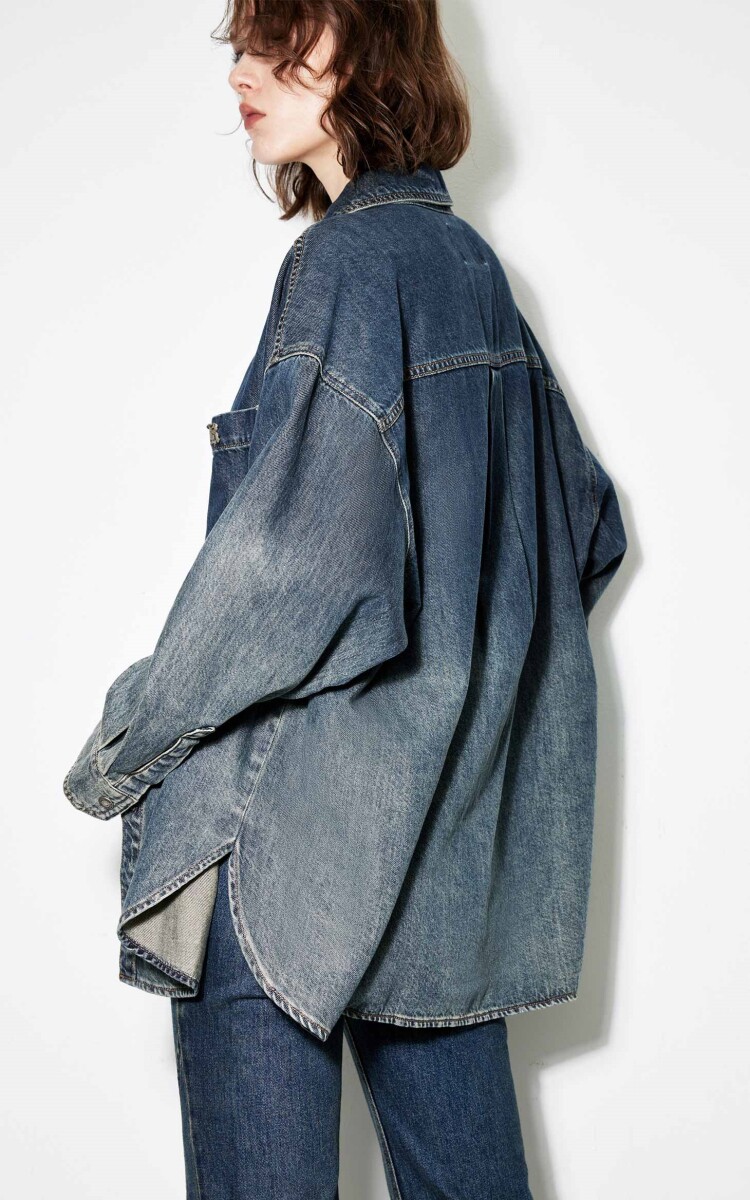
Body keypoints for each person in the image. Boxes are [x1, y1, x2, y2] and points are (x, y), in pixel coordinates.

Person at [63, 2, 628, 1196]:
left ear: (370, 51)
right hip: (432, 856)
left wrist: (125, 745)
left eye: (282, 40)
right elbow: (585, 526)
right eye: (241, 46)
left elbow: (295, 571)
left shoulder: (344, 266)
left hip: (275, 848)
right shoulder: (473, 273)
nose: (245, 73)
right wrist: (446, 712)